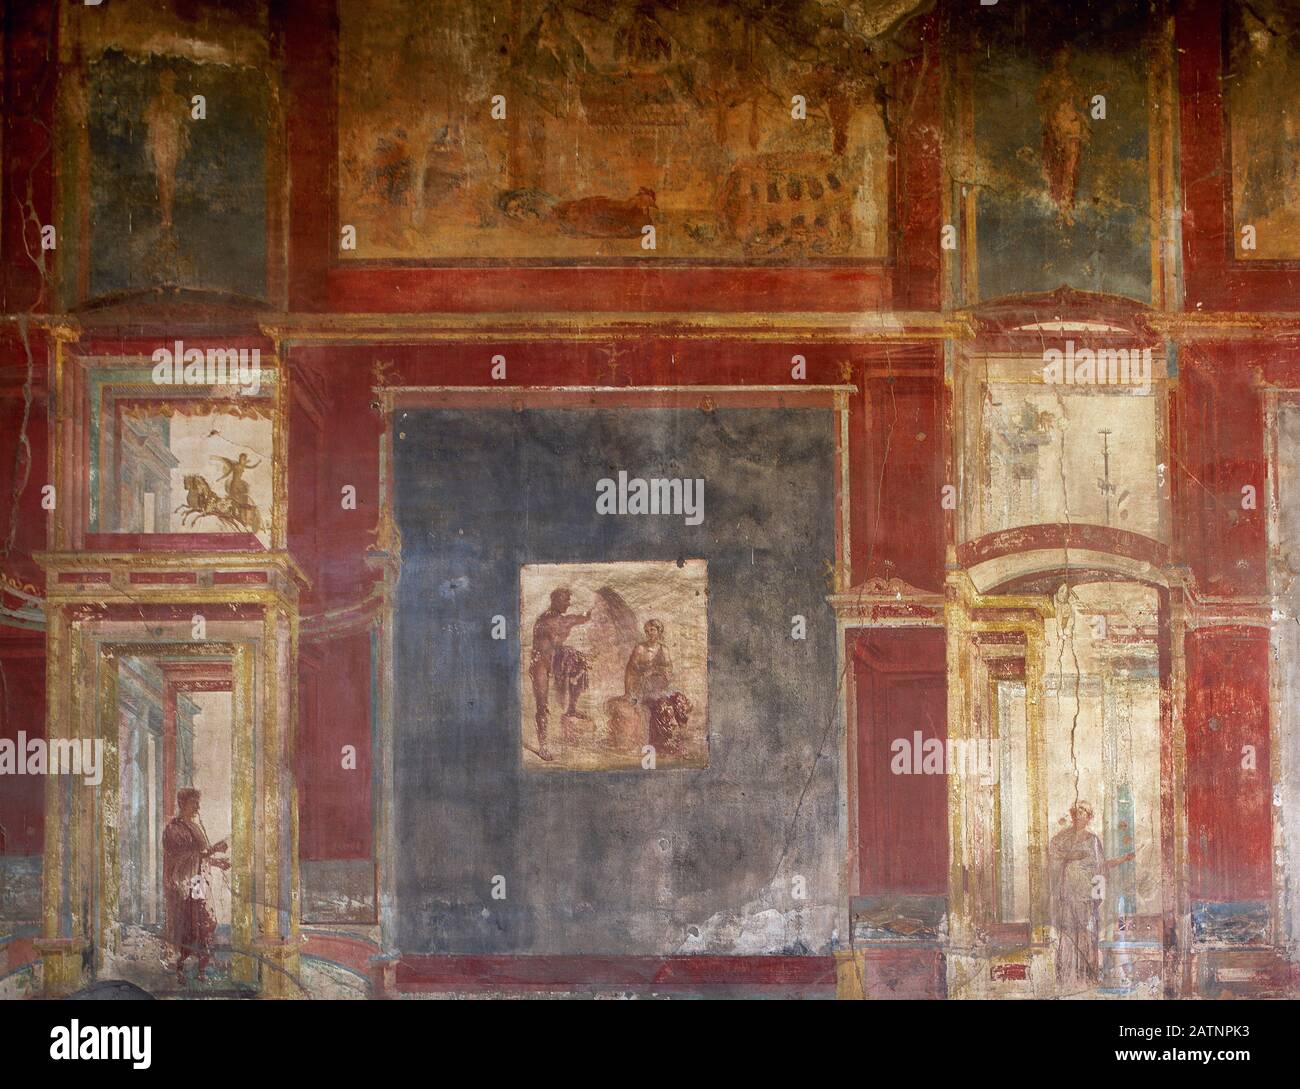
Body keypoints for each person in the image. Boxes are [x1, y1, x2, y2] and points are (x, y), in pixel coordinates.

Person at [1049, 802, 1134, 992]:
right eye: (1077, 813)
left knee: (1087, 935)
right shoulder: (1062, 838)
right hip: (1068, 894)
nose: (1080, 816)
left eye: (1084, 813)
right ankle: (1066, 977)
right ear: (1072, 815)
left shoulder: (1093, 840)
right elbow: (1053, 851)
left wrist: (1122, 860)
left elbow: (1101, 867)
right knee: (1068, 935)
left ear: (1089, 817)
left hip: (1086, 897)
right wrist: (1072, 855)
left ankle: (1086, 976)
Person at [162, 788, 229, 984]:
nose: (198, 807)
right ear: (183, 804)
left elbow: (201, 857)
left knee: (206, 923)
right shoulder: (174, 830)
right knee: (188, 926)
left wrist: (217, 862)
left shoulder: (195, 827)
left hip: (199, 883)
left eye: (198, 803)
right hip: (184, 886)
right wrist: (215, 849)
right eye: (194, 803)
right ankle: (181, 968)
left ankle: (201, 970)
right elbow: (185, 858)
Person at [528, 588, 591, 761]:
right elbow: (551, 639)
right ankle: (543, 746)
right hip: (541, 662)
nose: (568, 603)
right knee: (542, 704)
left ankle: (571, 707)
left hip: (555, 659)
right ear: (555, 600)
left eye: (569, 600)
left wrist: (590, 612)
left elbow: (582, 618)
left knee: (580, 663)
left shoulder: (563, 619)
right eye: (565, 600)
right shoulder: (544, 620)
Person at [623, 620, 691, 755]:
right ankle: (662, 743)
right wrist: (629, 693)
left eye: (652, 630)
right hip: (644, 687)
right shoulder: (640, 649)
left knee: (680, 701)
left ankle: (679, 738)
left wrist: (657, 671)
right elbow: (631, 671)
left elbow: (669, 671)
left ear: (659, 631)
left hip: (660, 687)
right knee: (662, 706)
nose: (649, 633)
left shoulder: (664, 649)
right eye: (647, 631)